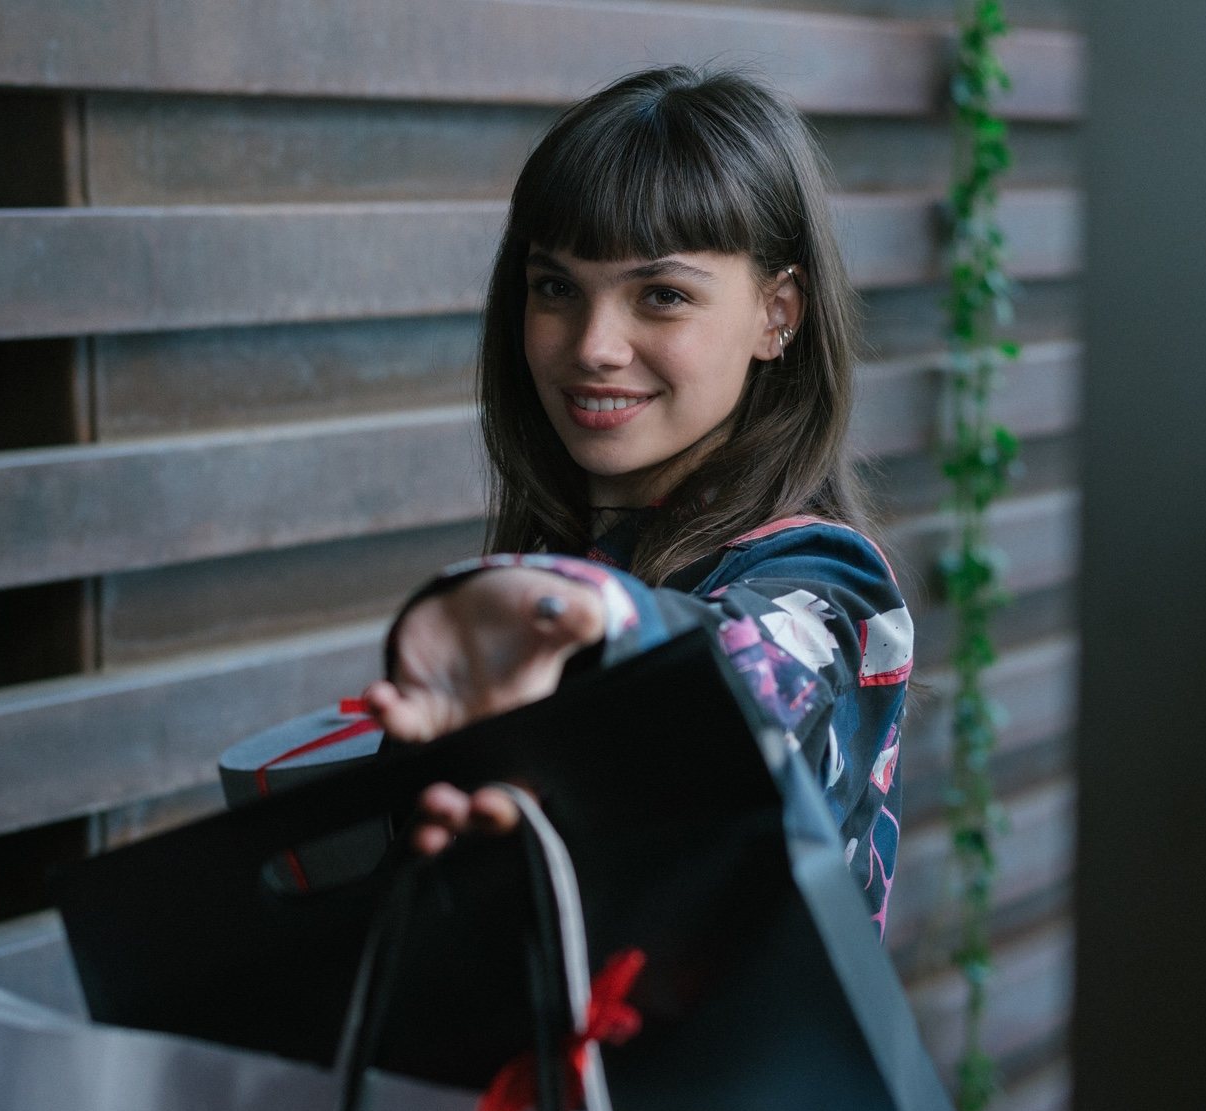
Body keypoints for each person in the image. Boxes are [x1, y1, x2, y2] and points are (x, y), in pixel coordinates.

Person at [360, 65, 911, 936]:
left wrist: (584, 627)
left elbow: (745, 688)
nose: (595, 346)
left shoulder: (822, 582)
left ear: (779, 314)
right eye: (556, 288)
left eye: (662, 295)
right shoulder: (561, 559)